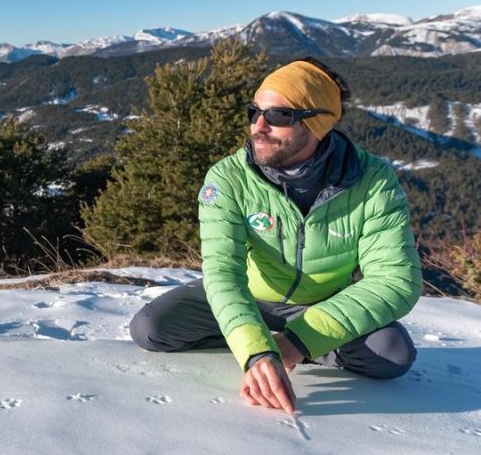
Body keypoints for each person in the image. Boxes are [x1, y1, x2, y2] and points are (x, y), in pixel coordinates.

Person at [129, 57, 422, 415]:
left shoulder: (372, 181)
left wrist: (299, 341)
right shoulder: (229, 178)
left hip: (322, 305)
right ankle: (254, 336)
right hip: (251, 296)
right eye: (254, 112)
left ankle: (291, 343)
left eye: (279, 115)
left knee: (392, 354)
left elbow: (395, 280)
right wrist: (256, 351)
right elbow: (223, 273)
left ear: (317, 122)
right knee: (151, 328)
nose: (259, 125)